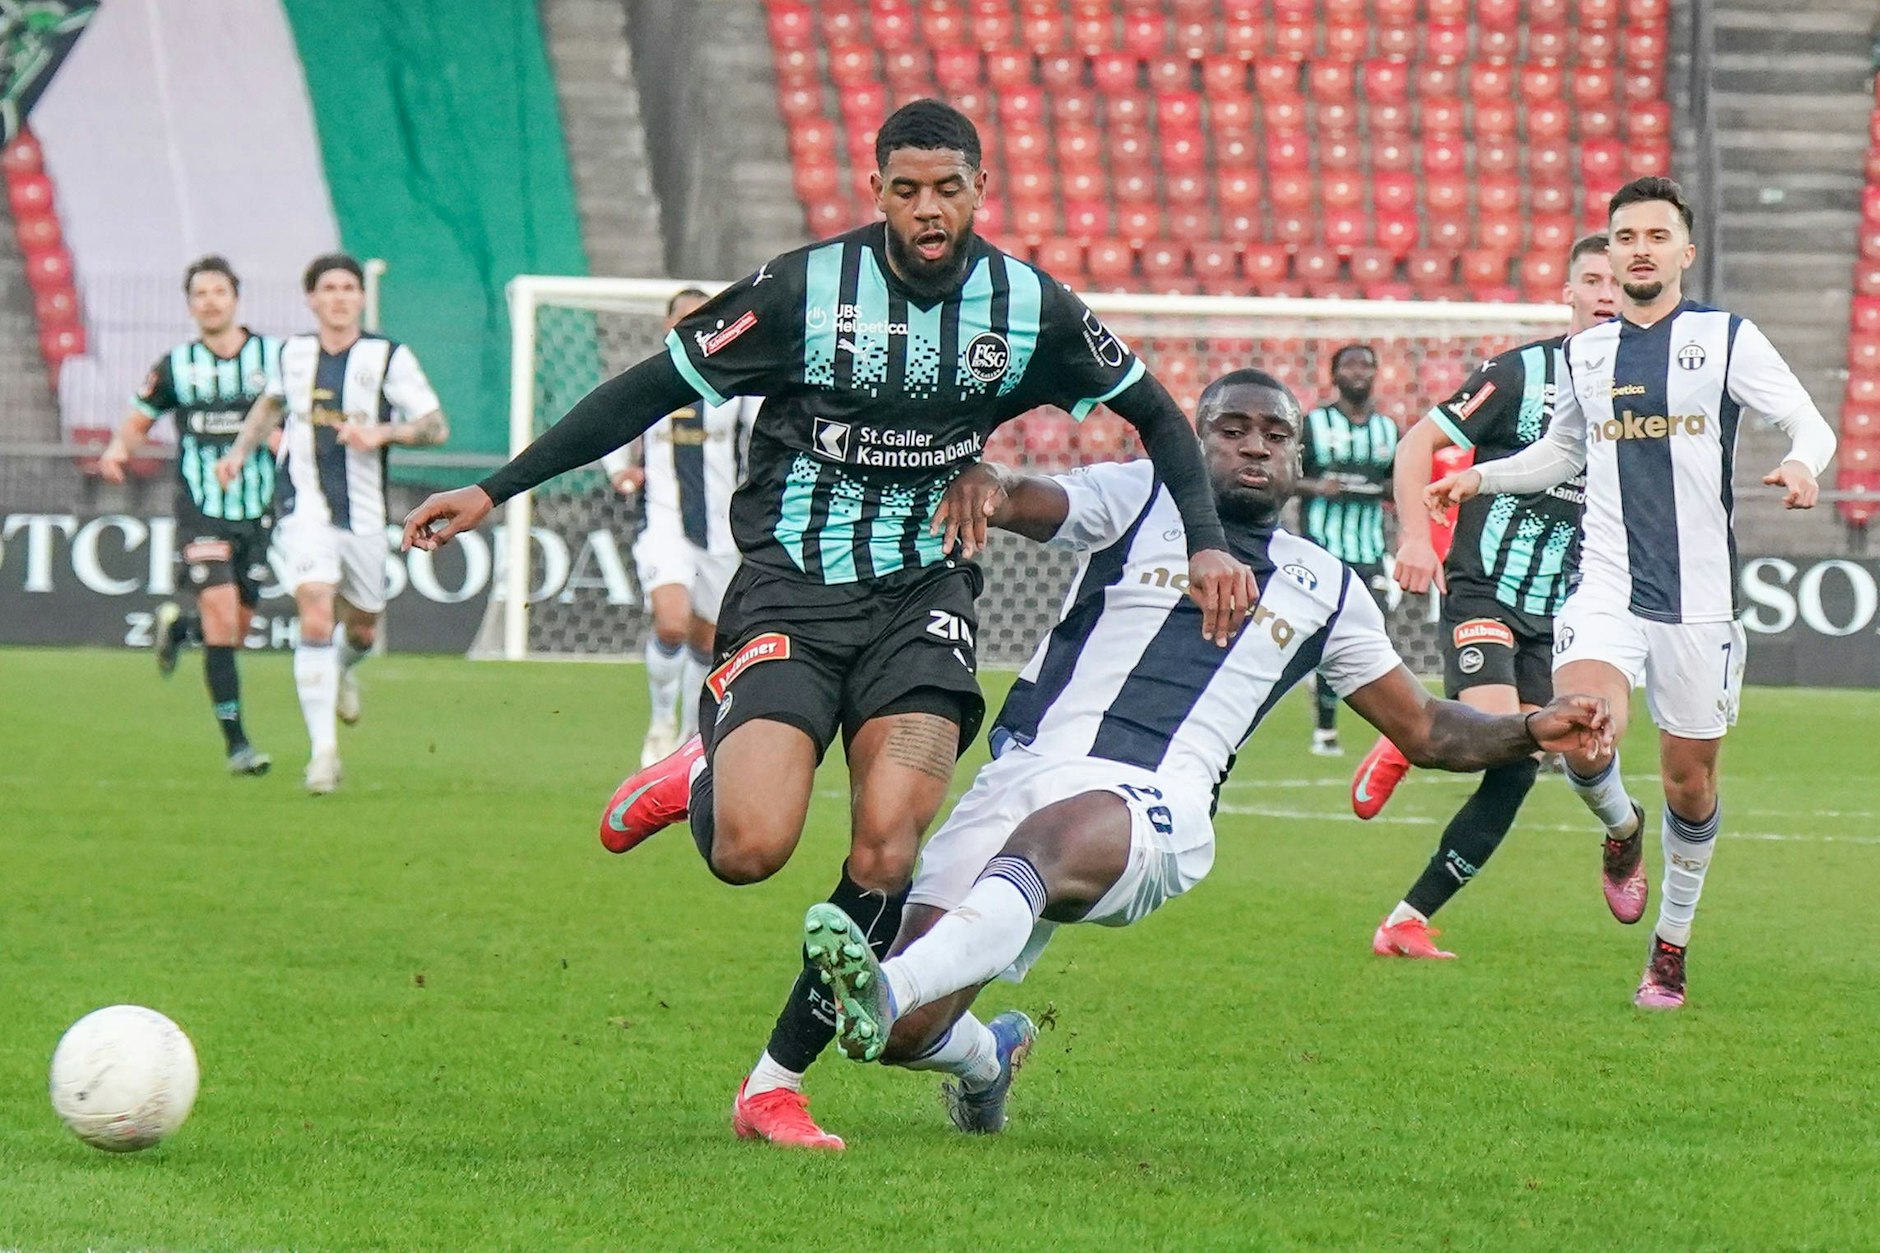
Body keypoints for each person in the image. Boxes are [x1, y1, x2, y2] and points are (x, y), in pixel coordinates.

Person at [400, 99, 1256, 1149]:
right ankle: (701, 762)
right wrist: (494, 489)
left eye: (947, 188)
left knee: (887, 846)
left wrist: (1207, 537)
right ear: (877, 192)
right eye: (906, 190)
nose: (928, 209)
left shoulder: (1025, 306)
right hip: (792, 594)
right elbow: (643, 387)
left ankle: (772, 1085)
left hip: (923, 604)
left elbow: (1159, 412)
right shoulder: (806, 289)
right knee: (750, 848)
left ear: (979, 188)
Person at [794, 369, 1611, 1134]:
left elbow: (1427, 728)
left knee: (1041, 852)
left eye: (1275, 435)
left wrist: (1528, 726)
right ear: (1193, 437)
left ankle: (883, 980)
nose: (1255, 446)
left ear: (1296, 454)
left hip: (1159, 803)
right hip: (1023, 772)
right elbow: (1026, 498)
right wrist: (988, 483)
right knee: (901, 1035)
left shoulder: (1326, 585)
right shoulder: (1138, 498)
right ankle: (987, 1059)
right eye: (1232, 429)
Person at [1429, 177, 1837, 1007]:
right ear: (1610, 257)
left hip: (1698, 598)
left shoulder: (1727, 339)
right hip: (1607, 583)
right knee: (1581, 729)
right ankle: (1622, 831)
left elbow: (1811, 423)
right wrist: (1481, 477)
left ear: (1685, 252)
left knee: (1692, 785)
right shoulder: (1589, 352)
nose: (1640, 248)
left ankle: (1671, 946)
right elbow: (1563, 452)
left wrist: (1802, 464)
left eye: (1657, 235)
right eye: (1625, 236)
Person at [1355, 234, 1620, 959]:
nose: (1606, 292)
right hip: (1482, 591)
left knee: (1518, 766)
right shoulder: (1520, 373)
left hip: (1555, 612)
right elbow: (1416, 445)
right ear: (1567, 293)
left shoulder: (1638, 399)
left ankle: (1405, 919)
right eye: (1591, 279)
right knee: (1504, 736)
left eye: (1617, 281)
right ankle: (1416, 728)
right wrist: (1415, 537)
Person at [217, 252, 449, 794]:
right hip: (304, 511)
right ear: (312, 298)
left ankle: (344, 669)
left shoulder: (387, 355)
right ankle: (323, 754)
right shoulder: (293, 353)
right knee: (316, 611)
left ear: (360, 298)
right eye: (329, 288)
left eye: (348, 287)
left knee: (363, 627)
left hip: (365, 515)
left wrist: (382, 435)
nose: (340, 296)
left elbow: (435, 425)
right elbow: (270, 407)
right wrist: (238, 451)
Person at [98, 255, 281, 776]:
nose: (209, 301)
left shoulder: (274, 357)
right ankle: (238, 746)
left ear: (235, 298)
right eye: (200, 294)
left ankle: (181, 631)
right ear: (190, 305)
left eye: (218, 292)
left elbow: (302, 410)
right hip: (201, 512)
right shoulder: (176, 365)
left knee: (236, 628)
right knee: (224, 619)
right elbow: (141, 415)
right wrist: (117, 449)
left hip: (258, 511)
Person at [599, 287, 760, 766]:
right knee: (670, 621)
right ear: (666, 327)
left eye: (701, 318)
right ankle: (660, 722)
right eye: (681, 319)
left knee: (706, 641)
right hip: (664, 524)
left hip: (722, 532)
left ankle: (690, 734)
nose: (690, 326)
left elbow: (766, 434)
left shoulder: (738, 384)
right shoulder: (651, 383)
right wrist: (619, 471)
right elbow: (612, 427)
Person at [1295, 343, 1398, 755]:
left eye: (1367, 365)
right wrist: (1317, 487)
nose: (1359, 372)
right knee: (1324, 635)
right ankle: (1325, 731)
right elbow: (1286, 476)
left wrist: (1392, 490)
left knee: (1371, 635)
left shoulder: (1388, 429)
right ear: (1333, 375)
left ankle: (1391, 733)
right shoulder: (1314, 424)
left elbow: (1397, 481)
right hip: (1322, 547)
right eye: (1350, 365)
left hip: (1370, 548)